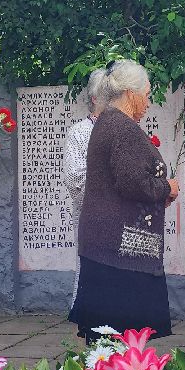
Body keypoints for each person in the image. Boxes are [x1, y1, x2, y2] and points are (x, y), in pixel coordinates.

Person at [72, 59, 179, 338]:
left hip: (108, 245)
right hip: (119, 251)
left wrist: (155, 194)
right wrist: (166, 188)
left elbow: (123, 180)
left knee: (108, 341)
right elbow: (133, 183)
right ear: (131, 94)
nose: (147, 103)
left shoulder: (109, 122)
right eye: (146, 95)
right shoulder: (121, 127)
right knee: (119, 338)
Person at [62, 67, 107, 296]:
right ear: (94, 98)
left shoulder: (126, 130)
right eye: (107, 95)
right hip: (92, 222)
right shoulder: (80, 132)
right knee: (92, 280)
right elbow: (76, 181)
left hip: (123, 224)